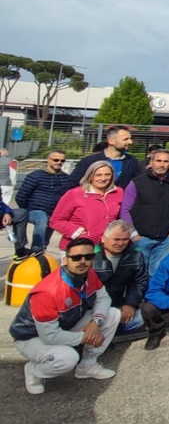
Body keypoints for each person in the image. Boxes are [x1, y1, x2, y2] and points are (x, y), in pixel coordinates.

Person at [9, 238, 121, 394]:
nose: (83, 261)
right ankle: (33, 371)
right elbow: (49, 336)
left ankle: (87, 365)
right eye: (76, 257)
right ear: (65, 260)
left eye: (88, 257)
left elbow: (103, 298)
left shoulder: (88, 274)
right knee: (67, 358)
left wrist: (95, 323)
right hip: (31, 337)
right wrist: (87, 337)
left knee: (112, 314)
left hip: (65, 325)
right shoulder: (47, 292)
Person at [120, 149, 169, 275]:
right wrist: (133, 234)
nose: (162, 164)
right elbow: (125, 210)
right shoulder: (137, 182)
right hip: (141, 238)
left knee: (158, 274)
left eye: (166, 161)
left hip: (165, 239)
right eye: (158, 161)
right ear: (151, 162)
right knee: (138, 274)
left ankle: (153, 295)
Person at [50, 160, 123, 251]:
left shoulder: (118, 192)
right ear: (90, 176)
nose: (103, 178)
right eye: (98, 175)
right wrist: (80, 233)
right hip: (77, 247)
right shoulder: (74, 194)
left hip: (106, 247)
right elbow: (56, 221)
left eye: (107, 174)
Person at [92, 221, 149, 334]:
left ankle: (109, 332)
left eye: (125, 239)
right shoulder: (91, 256)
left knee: (140, 319)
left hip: (119, 303)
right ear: (104, 239)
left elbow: (139, 282)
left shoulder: (135, 255)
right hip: (94, 306)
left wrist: (130, 303)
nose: (121, 243)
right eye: (116, 239)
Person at [13, 150, 70, 256]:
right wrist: (26, 210)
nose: (59, 162)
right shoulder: (36, 176)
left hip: (54, 213)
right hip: (35, 211)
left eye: (62, 160)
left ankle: (41, 251)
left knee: (49, 227)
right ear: (48, 160)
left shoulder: (66, 178)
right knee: (42, 218)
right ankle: (36, 249)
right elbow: (21, 196)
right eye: (56, 160)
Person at [62, 125, 141, 195]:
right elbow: (71, 185)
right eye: (126, 139)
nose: (130, 142)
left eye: (130, 138)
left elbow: (137, 186)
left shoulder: (132, 162)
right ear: (111, 141)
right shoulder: (89, 161)